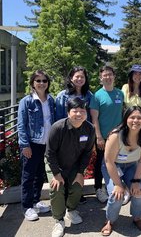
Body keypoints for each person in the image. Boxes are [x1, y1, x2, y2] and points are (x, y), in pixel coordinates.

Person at [100, 106, 141, 236]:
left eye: (139, 118)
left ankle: (137, 217)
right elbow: (109, 161)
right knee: (116, 195)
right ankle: (109, 220)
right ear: (126, 119)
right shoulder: (116, 135)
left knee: (139, 191)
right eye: (132, 117)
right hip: (113, 166)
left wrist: (136, 181)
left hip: (131, 165)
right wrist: (119, 185)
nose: (136, 120)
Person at [46, 97, 95, 237]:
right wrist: (56, 174)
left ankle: (71, 210)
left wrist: (80, 173)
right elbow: (50, 153)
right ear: (68, 113)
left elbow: (87, 153)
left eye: (82, 110)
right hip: (55, 163)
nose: (79, 114)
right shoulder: (58, 127)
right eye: (75, 111)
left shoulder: (89, 128)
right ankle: (58, 220)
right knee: (57, 187)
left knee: (77, 186)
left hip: (74, 164)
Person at [17, 70, 54, 221]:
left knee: (40, 175)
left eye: (44, 80)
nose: (41, 83)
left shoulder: (51, 100)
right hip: (32, 144)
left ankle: (36, 201)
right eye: (38, 81)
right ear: (32, 83)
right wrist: (25, 145)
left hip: (46, 144)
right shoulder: (26, 101)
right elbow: (21, 125)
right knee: (28, 176)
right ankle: (27, 207)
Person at [55, 66, 93, 204]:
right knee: (65, 164)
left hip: (83, 136)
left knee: (79, 164)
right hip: (66, 136)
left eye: (82, 77)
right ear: (71, 78)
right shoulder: (62, 96)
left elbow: (90, 116)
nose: (79, 79)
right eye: (76, 76)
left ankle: (76, 193)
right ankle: (64, 194)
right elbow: (59, 118)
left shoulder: (89, 95)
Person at [90, 66, 124, 203]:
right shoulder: (97, 96)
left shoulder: (120, 94)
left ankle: (117, 187)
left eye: (110, 74)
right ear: (100, 78)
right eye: (105, 75)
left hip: (118, 136)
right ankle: (99, 188)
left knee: (117, 162)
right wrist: (98, 136)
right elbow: (94, 119)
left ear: (114, 76)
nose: (108, 77)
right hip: (103, 137)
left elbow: (122, 114)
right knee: (100, 162)